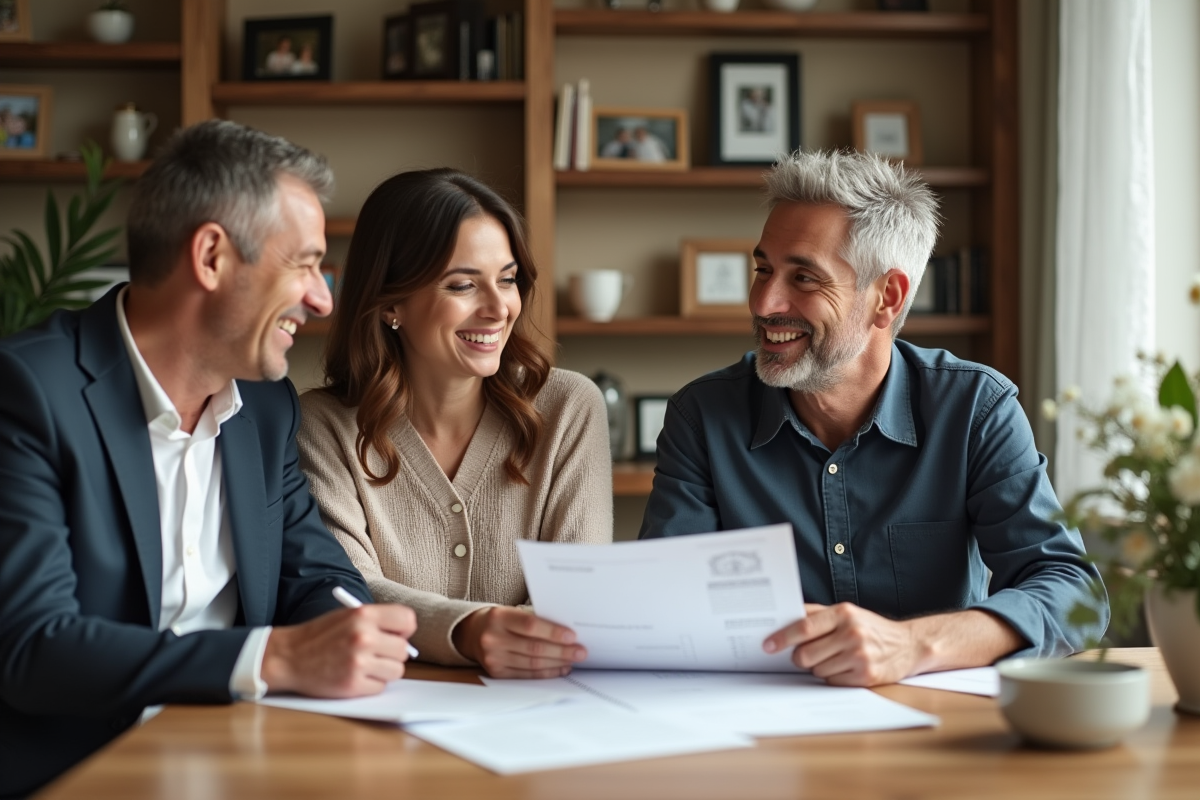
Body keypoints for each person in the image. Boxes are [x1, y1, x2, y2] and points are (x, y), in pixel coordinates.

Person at [0, 120, 417, 799]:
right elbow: (33, 648)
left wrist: (350, 628)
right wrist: (273, 656)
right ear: (212, 256)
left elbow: (316, 577)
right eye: (305, 264)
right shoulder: (28, 393)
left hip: (247, 761)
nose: (323, 299)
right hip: (74, 776)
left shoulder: (268, 409)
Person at [639, 150, 1107, 687]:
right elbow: (666, 608)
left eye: (805, 278)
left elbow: (1074, 594)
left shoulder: (976, 409)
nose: (764, 302)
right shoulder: (702, 416)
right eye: (763, 269)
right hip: (764, 730)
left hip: (941, 729)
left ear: (887, 297)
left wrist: (911, 645)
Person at [297, 168, 613, 679]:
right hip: (384, 712)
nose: (498, 309)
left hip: (541, 706)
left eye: (507, 280)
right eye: (463, 284)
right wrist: (467, 630)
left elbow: (579, 598)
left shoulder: (569, 407)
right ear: (391, 303)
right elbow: (347, 590)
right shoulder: (322, 425)